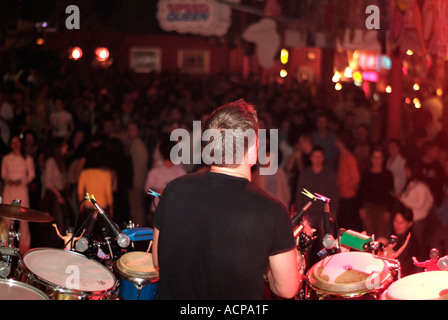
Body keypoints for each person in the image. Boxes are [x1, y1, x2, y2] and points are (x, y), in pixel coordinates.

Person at [152, 99, 301, 300]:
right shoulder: (272, 210)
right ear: (253, 149)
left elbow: (157, 261)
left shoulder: (172, 190)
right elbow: (287, 289)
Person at [295, 146, 339, 268]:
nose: (317, 159)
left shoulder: (329, 174)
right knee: (305, 244)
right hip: (308, 213)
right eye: (315, 157)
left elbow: (335, 194)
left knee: (325, 244)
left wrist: (332, 212)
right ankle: (304, 270)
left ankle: (324, 269)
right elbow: (299, 194)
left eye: (320, 157)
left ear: (323, 158)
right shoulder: (305, 173)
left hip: (324, 213)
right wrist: (300, 214)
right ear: (311, 158)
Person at [1, 134, 36, 254]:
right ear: (10, 145)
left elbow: (31, 174)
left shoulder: (27, 159)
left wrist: (21, 181)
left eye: (17, 142)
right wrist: (8, 180)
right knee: (6, 220)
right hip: (9, 189)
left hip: (21, 190)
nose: (15, 145)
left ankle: (23, 251)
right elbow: (3, 173)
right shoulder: (6, 159)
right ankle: (4, 248)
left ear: (20, 144)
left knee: (24, 221)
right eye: (13, 142)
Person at [358, 146, 394, 239]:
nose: (377, 160)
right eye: (374, 157)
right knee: (368, 236)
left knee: (381, 236)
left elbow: (390, 194)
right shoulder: (366, 174)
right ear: (371, 158)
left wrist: (388, 210)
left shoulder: (388, 175)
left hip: (382, 208)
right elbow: (361, 191)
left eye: (379, 157)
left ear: (383, 159)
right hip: (368, 207)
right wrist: (361, 208)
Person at [398, 162, 434, 256]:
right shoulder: (412, 183)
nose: (405, 172)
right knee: (414, 243)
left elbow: (421, 203)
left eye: (407, 170)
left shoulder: (421, 186)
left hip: (418, 219)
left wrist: (403, 199)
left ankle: (418, 264)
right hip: (413, 218)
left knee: (418, 244)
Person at [335, 131, 361, 231]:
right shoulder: (342, 156)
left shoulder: (349, 158)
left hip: (348, 197)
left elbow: (355, 178)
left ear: (341, 142)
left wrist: (342, 189)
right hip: (342, 196)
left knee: (347, 224)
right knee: (342, 223)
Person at [388, 204, 420, 276]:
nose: (397, 225)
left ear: (409, 224)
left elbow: (401, 267)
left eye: (402, 222)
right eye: (396, 221)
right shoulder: (397, 236)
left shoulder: (409, 243)